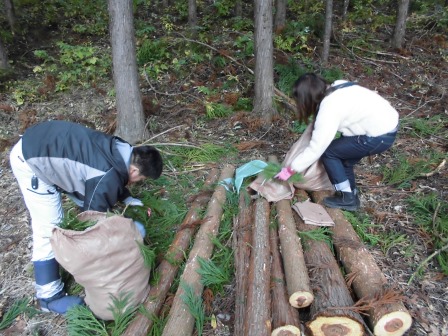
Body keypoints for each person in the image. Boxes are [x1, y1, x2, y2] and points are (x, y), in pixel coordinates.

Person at [9, 120, 163, 314]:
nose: (138, 183)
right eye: (140, 179)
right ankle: (48, 297)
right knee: (49, 227)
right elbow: (90, 219)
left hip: (43, 141)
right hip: (32, 162)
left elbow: (106, 176)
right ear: (134, 170)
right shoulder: (106, 175)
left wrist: (126, 197)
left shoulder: (120, 148)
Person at [275, 73, 399, 211]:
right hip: (385, 126)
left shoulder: (329, 107)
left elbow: (317, 148)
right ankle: (351, 194)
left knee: (330, 153)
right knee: (344, 156)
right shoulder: (337, 87)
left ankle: (347, 198)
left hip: (379, 135)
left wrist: (291, 169)